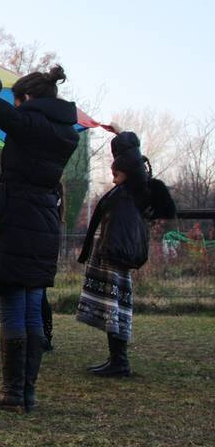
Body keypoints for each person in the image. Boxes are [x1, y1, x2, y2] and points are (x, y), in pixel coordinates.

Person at [0, 66, 79, 413]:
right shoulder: (67, 132)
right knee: (32, 305)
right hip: (46, 223)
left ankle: (11, 392)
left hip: (16, 221)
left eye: (17, 102)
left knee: (12, 307)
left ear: (27, 99)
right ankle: (26, 393)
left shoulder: (29, 123)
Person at [76, 130, 175, 378]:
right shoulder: (131, 190)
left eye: (116, 174)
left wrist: (123, 135)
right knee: (114, 308)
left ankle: (119, 361)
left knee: (115, 309)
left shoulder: (134, 191)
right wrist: (119, 134)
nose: (113, 180)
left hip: (115, 256)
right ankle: (116, 359)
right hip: (112, 254)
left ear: (128, 171)